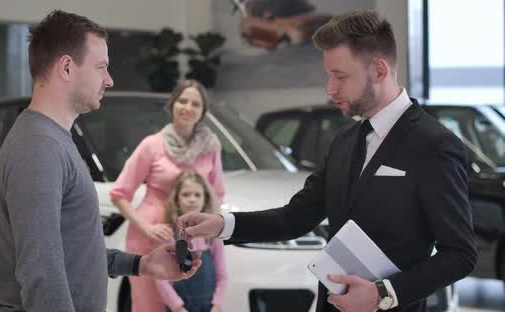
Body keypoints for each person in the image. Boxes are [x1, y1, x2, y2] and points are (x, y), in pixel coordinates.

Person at [178, 10, 477, 312]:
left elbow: (460, 254)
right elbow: (294, 218)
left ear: (379, 70)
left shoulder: (433, 145)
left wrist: (382, 294)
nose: (330, 89)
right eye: (328, 75)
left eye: (340, 76)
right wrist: (220, 224)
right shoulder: (344, 142)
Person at [0, 10, 200, 312]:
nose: (109, 80)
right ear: (66, 67)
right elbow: (41, 271)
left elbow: (73, 251)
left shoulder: (53, 139)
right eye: (101, 67)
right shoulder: (38, 148)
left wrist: (141, 264)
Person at [110, 79, 225, 312]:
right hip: (150, 237)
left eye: (195, 104)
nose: (188, 107)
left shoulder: (210, 147)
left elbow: (217, 194)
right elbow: (119, 194)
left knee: (189, 303)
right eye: (182, 101)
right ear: (172, 104)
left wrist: (205, 231)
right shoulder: (152, 145)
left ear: (202, 112)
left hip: (191, 240)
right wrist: (146, 227)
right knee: (149, 306)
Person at [156, 171, 228, 312]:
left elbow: (223, 274)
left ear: (205, 199)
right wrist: (178, 307)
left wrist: (217, 305)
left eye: (197, 195)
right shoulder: (169, 236)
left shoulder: (212, 236)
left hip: (209, 307)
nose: (192, 199)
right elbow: (162, 280)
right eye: (186, 194)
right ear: (176, 199)